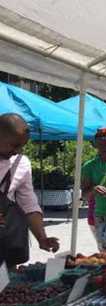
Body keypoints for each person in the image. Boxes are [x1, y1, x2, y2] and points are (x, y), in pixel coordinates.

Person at [0, 113, 59, 264]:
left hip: (5, 244)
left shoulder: (20, 163)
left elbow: (28, 203)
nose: (18, 151)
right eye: (14, 145)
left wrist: (42, 237)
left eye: (22, 146)